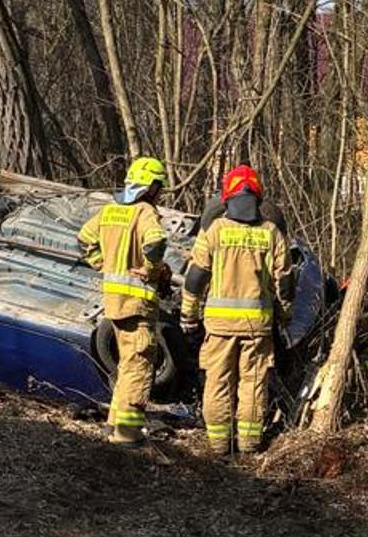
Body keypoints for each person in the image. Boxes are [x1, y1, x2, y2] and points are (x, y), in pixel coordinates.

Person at [180, 165, 291, 455]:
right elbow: (286, 282)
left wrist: (188, 315)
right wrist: (284, 316)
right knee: (253, 384)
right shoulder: (271, 233)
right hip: (257, 326)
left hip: (218, 327)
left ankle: (218, 444)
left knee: (217, 383)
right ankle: (250, 444)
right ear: (258, 197)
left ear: (227, 197)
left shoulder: (214, 231)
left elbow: (195, 277)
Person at [77, 157, 170, 446]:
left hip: (114, 302)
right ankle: (128, 435)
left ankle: (113, 426)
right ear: (151, 188)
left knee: (127, 366)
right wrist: (152, 271)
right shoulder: (144, 212)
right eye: (159, 187)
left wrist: (102, 263)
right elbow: (155, 243)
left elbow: (83, 238)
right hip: (137, 303)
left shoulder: (110, 211)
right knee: (140, 366)